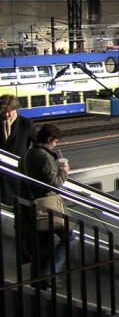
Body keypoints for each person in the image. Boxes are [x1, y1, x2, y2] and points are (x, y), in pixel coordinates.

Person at [19, 123, 70, 289]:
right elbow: (54, 183)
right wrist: (64, 171)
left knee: (42, 245)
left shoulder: (27, 154)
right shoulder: (44, 156)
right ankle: (49, 274)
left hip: (31, 206)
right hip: (47, 206)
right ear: (49, 139)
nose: (56, 144)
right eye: (55, 141)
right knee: (69, 237)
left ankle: (38, 281)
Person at [0, 94, 37, 205]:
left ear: (16, 109)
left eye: (9, 111)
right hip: (2, 173)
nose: (6, 115)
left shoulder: (26, 124)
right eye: (3, 111)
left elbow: (38, 144)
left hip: (18, 172)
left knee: (20, 203)